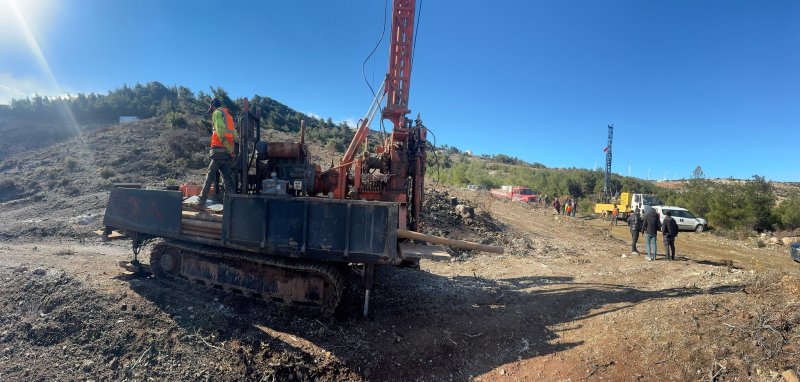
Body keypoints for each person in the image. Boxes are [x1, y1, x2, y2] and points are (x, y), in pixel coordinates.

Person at [196, 98, 238, 207]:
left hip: (218, 150)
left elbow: (220, 132)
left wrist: (227, 147)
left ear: (213, 106)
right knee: (227, 177)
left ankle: (201, 201)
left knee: (210, 175)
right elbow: (235, 134)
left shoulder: (217, 113)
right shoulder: (228, 115)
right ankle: (234, 202)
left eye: (212, 108)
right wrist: (231, 150)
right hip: (226, 152)